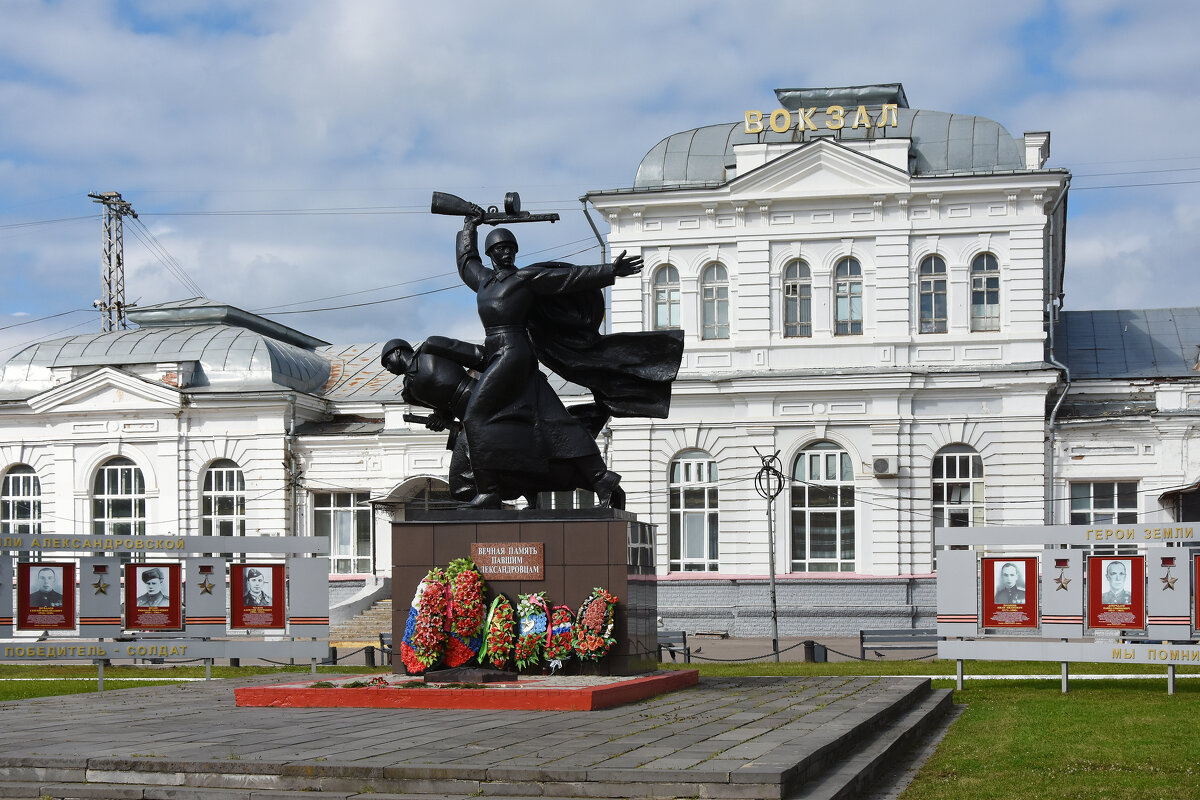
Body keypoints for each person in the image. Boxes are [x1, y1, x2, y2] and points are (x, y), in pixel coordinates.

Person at [452, 215, 649, 509]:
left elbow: (569, 278)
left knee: (473, 417)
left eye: (511, 248)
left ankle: (489, 490)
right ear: (491, 253)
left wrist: (610, 271)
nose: (507, 253)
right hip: (499, 355)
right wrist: (470, 226)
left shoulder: (524, 279)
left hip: (513, 353)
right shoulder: (483, 281)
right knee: (554, 420)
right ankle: (601, 479)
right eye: (501, 248)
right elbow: (466, 261)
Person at [380, 336, 623, 508]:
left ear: (398, 352)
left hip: (490, 402)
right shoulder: (409, 391)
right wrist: (438, 420)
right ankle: (518, 498)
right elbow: (443, 411)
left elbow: (479, 357)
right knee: (463, 485)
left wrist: (514, 377)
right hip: (470, 423)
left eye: (387, 362)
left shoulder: (431, 347)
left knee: (538, 444)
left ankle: (598, 480)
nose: (387, 368)